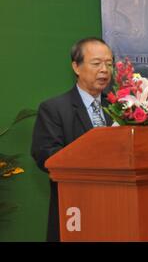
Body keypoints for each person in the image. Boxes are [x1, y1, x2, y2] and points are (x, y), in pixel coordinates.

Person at [31, 37, 114, 241]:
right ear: (76, 67)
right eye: (96, 63)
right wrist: (94, 156)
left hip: (116, 202)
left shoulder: (118, 108)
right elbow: (45, 154)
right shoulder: (54, 109)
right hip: (76, 206)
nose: (104, 69)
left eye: (109, 64)